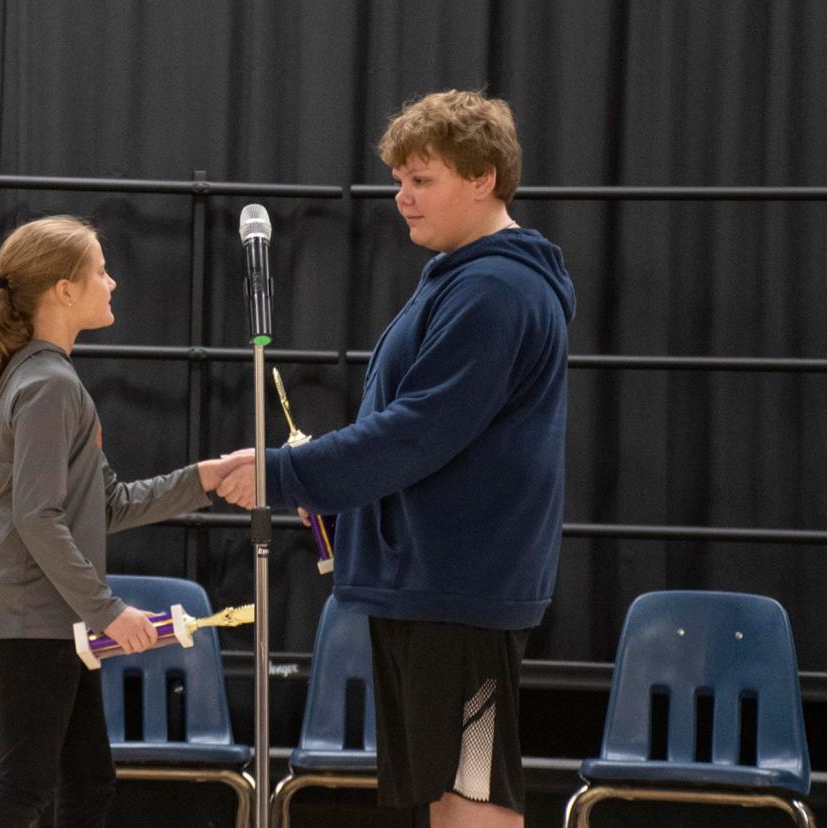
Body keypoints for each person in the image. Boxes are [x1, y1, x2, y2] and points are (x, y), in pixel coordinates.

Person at [218, 89, 576, 828]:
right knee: (450, 791)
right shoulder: (462, 276)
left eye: (423, 180)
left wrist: (286, 474)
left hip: (462, 586)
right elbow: (414, 429)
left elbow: (417, 431)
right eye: (399, 180)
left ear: (483, 179)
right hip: (434, 582)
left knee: (472, 793)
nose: (402, 197)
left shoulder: (495, 290)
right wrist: (332, 479)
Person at [0, 215, 253, 828]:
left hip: (48, 619)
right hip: (32, 619)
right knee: (23, 791)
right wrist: (108, 610)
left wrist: (204, 478)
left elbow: (107, 502)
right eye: (100, 271)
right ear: (64, 290)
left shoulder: (49, 380)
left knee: (87, 783)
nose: (112, 283)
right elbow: (37, 517)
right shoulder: (47, 386)